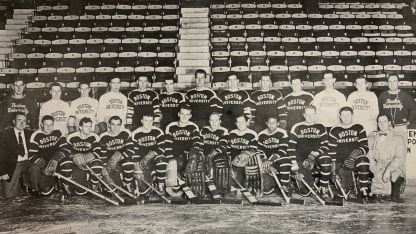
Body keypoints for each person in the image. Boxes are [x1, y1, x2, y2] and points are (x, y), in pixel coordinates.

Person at [288, 105, 331, 199]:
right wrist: (294, 163)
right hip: (302, 159)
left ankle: (323, 188)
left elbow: (325, 146)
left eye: (312, 114)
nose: (310, 116)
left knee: (326, 160)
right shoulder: (297, 127)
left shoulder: (321, 127)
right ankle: (299, 179)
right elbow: (291, 148)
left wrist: (314, 154)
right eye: (307, 114)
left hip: (316, 157)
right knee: (306, 192)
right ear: (304, 115)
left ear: (316, 115)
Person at [328, 106, 370, 201]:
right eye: (343, 115)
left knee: (364, 159)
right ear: (340, 116)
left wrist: (352, 157)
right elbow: (332, 152)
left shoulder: (359, 128)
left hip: (354, 161)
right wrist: (334, 171)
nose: (346, 117)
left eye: (348, 115)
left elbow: (365, 146)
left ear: (352, 116)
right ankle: (347, 187)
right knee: (343, 192)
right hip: (341, 163)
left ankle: (364, 189)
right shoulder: (334, 130)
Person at [164, 103, 204, 197]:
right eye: (182, 114)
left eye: (187, 114)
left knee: (192, 167)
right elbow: (167, 144)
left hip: (188, 156)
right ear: (178, 114)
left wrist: (193, 154)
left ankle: (189, 187)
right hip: (175, 155)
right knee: (173, 165)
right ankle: (176, 187)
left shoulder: (193, 126)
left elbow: (196, 142)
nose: (184, 117)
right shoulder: (171, 126)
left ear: (190, 116)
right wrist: (170, 157)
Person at [28, 115, 73, 197]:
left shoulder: (58, 132)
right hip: (45, 165)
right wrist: (44, 165)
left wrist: (56, 158)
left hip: (56, 161)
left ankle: (65, 184)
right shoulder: (36, 135)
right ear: (41, 125)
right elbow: (31, 155)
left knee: (67, 160)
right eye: (46, 125)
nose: (49, 127)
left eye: (51, 125)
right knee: (46, 192)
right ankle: (53, 183)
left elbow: (66, 148)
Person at [124, 113, 167, 196]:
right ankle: (149, 181)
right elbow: (134, 152)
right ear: (141, 121)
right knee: (144, 191)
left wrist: (148, 157)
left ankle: (160, 186)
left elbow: (162, 148)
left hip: (153, 159)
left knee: (162, 160)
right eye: (146, 120)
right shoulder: (135, 133)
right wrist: (137, 168)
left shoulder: (158, 132)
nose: (148, 123)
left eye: (151, 121)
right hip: (141, 162)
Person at [216, 114, 259, 194]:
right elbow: (228, 150)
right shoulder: (232, 133)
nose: (240, 124)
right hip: (233, 161)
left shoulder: (252, 134)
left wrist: (245, 154)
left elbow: (254, 149)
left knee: (243, 167)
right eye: (238, 122)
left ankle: (247, 186)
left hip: (246, 161)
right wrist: (228, 162)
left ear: (247, 122)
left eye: (242, 121)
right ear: (235, 123)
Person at [368, 113, 406, 203]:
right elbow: (370, 157)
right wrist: (374, 170)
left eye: (384, 121)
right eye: (379, 122)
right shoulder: (371, 138)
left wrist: (388, 169)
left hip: (393, 169)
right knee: (376, 196)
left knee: (393, 198)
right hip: (378, 168)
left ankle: (398, 186)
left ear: (389, 123)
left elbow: (400, 158)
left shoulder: (398, 138)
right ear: (377, 123)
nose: (382, 124)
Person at [65, 117, 103, 195]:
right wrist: (74, 157)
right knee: (81, 192)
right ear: (80, 127)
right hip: (76, 164)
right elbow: (67, 152)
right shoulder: (71, 137)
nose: (89, 129)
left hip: (89, 161)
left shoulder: (94, 136)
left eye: (90, 126)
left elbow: (98, 152)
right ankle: (68, 185)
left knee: (97, 164)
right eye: (86, 126)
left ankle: (94, 184)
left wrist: (85, 158)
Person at [0, 112, 32, 199]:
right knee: (9, 196)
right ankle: (17, 185)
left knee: (38, 168)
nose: (22, 123)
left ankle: (34, 187)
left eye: (24, 121)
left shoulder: (30, 134)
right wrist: (2, 171)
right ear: (14, 121)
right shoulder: (5, 134)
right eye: (19, 120)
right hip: (13, 165)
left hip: (28, 162)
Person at [257, 116, 291, 195]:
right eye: (269, 122)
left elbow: (283, 149)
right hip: (267, 162)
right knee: (266, 190)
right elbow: (260, 150)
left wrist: (271, 160)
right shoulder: (261, 134)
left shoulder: (282, 132)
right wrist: (264, 160)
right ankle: (275, 183)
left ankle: (285, 186)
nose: (271, 125)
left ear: (278, 123)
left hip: (279, 159)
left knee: (286, 162)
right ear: (266, 123)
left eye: (274, 123)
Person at [378, 74, 416, 142]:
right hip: (387, 128)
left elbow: (413, 109)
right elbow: (379, 112)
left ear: (398, 82)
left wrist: (408, 122)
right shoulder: (382, 96)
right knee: (388, 149)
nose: (392, 84)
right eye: (390, 81)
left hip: (401, 127)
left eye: (394, 81)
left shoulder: (405, 95)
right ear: (387, 83)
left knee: (401, 150)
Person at [200, 112, 230, 195]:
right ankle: (201, 187)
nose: (214, 123)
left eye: (216, 120)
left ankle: (219, 187)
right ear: (208, 121)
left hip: (217, 155)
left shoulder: (223, 130)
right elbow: (200, 143)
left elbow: (223, 146)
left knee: (219, 163)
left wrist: (212, 154)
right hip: (205, 154)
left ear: (220, 121)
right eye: (211, 120)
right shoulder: (203, 129)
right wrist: (201, 153)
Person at [98, 115, 131, 189]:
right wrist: (105, 166)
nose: (115, 127)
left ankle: (128, 185)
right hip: (111, 163)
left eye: (118, 125)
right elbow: (102, 154)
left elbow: (131, 149)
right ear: (109, 125)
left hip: (122, 160)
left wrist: (121, 157)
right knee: (113, 189)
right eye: (113, 124)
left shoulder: (125, 133)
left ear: (121, 125)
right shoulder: (103, 137)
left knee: (129, 163)